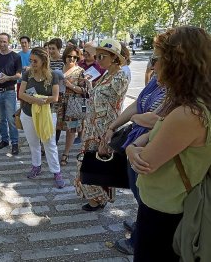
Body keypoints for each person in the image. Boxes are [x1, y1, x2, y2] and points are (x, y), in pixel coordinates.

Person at [125, 26, 211, 261]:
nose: (152, 65)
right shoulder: (190, 104)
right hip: (169, 204)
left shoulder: (188, 113)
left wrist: (132, 149)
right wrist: (138, 144)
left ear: (176, 63)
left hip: (166, 212)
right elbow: (156, 129)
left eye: (157, 58)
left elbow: (146, 162)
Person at [105, 63, 166, 255]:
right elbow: (137, 106)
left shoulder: (179, 88)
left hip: (152, 147)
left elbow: (155, 120)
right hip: (137, 142)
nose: (154, 65)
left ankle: (139, 238)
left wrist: (139, 118)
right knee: (136, 189)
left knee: (145, 196)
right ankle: (141, 223)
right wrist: (113, 126)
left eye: (160, 58)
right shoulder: (157, 81)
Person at [73, 39, 129, 211]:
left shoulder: (120, 76)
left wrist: (107, 134)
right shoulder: (107, 74)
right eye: (97, 56)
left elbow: (115, 104)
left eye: (102, 56)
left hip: (105, 129)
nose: (98, 60)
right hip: (92, 127)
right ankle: (96, 198)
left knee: (100, 164)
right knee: (91, 163)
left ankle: (99, 198)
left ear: (114, 58)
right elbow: (98, 98)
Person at [18, 47, 65, 188]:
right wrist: (35, 100)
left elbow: (55, 97)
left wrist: (39, 100)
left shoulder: (53, 76)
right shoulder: (27, 74)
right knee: (33, 143)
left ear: (44, 61)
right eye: (31, 60)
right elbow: (21, 94)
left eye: (35, 61)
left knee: (49, 143)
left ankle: (56, 172)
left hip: (47, 114)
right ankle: (36, 166)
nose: (32, 63)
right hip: (28, 113)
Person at [0, 32, 22, 155]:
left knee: (11, 119)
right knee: (1, 119)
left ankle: (15, 143)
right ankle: (4, 140)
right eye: (0, 41)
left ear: (8, 42)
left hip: (9, 92)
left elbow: (19, 75)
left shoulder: (15, 57)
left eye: (5, 41)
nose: (2, 44)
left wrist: (7, 78)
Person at [57, 45, 87, 165]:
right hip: (58, 102)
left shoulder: (81, 71)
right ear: (65, 56)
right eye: (69, 56)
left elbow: (84, 90)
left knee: (71, 129)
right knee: (55, 126)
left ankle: (66, 153)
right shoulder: (59, 69)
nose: (72, 59)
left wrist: (70, 86)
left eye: (75, 57)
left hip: (73, 103)